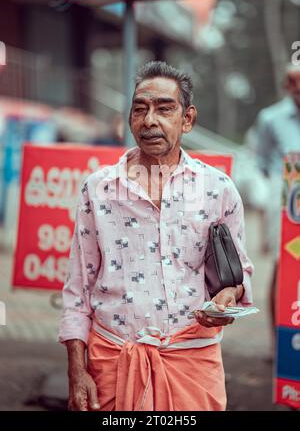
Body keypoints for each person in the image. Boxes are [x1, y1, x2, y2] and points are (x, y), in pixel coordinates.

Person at [58, 61, 254, 412]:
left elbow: (238, 274)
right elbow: (78, 288)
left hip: (191, 364)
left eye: (164, 109)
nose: (150, 120)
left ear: (188, 119)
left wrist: (227, 297)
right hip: (113, 362)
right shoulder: (99, 188)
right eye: (140, 109)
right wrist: (76, 370)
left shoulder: (217, 189)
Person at [254, 64, 300, 333]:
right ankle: (279, 340)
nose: (298, 88)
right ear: (285, 85)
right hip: (284, 202)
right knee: (282, 267)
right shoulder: (270, 118)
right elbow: (260, 163)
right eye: (293, 82)